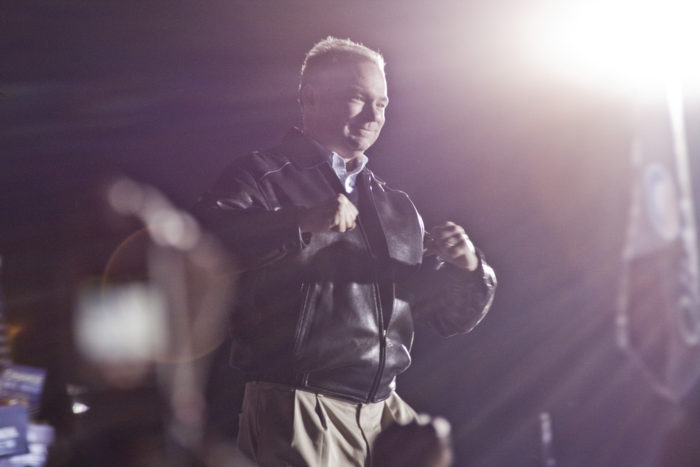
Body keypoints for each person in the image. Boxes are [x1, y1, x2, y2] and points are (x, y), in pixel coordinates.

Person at [194, 36, 496, 467]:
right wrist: (298, 221)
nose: (375, 115)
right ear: (310, 98)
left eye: (383, 103)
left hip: (384, 410)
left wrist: (469, 268)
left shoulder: (397, 206)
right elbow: (205, 240)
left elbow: (451, 318)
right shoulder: (261, 175)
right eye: (359, 98)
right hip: (301, 404)